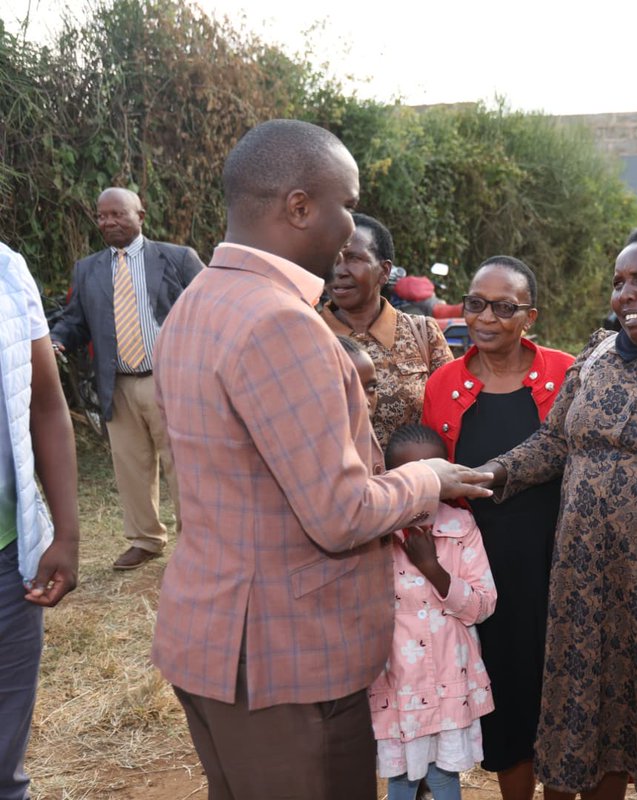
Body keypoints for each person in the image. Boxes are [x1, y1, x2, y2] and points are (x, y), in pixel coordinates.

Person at [151, 119, 493, 800]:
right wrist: (427, 478)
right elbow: (340, 514)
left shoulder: (199, 300)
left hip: (217, 642)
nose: (351, 226)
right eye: (347, 203)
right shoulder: (281, 321)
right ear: (299, 206)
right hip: (287, 661)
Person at [476, 221, 637, 800]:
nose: (623, 294)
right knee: (591, 733)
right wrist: (489, 473)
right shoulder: (595, 356)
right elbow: (554, 442)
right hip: (585, 592)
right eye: (619, 281)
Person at [421, 256, 573, 800]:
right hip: (485, 567)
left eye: (504, 307)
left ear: (528, 316)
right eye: (476, 303)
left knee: (562, 690)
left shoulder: (565, 371)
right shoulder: (444, 383)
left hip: (558, 561)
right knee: (506, 692)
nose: (486, 317)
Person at [49, 187, 203, 570]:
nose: (108, 222)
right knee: (130, 466)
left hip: (170, 381)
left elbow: (210, 308)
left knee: (182, 465)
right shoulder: (88, 269)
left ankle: (198, 541)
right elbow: (75, 321)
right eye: (102, 216)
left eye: (117, 214)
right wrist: (55, 340)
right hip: (117, 384)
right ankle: (146, 539)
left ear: (141, 215)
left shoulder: (177, 258)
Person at [371, 425, 497, 800]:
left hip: (448, 678)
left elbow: (483, 605)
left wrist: (434, 569)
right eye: (411, 475)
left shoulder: (461, 528)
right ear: (389, 479)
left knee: (444, 775)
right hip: (397, 683)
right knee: (402, 779)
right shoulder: (376, 534)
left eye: (433, 472)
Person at [0, 242, 82, 800]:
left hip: (9, 563)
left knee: (5, 759)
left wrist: (67, 533)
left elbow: (47, 402)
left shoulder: (6, 268)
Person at [320, 212, 452, 443]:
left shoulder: (423, 333)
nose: (338, 271)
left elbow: (452, 411)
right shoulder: (307, 332)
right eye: (333, 258)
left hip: (414, 476)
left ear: (384, 271)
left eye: (353, 258)